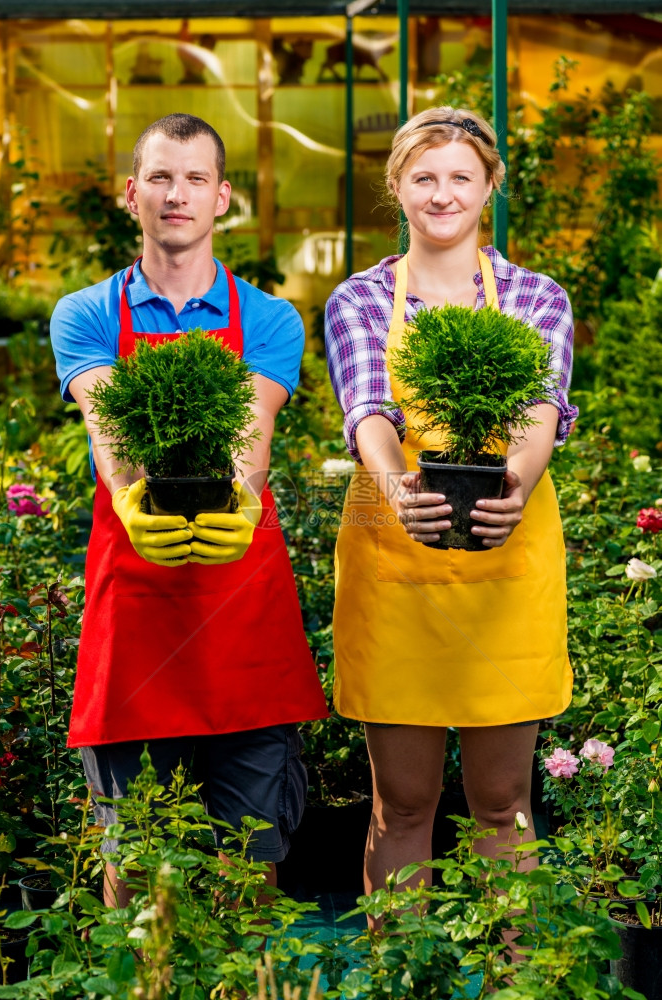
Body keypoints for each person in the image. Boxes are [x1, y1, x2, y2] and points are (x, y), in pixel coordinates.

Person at [50, 113, 328, 906]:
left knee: (251, 862)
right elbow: (108, 424)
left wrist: (240, 499)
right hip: (135, 615)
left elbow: (252, 427)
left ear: (223, 198)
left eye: (195, 179)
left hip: (242, 610)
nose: (177, 195)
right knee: (134, 863)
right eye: (161, 178)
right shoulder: (87, 313)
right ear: (131, 194)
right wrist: (133, 499)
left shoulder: (271, 319)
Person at [324, 106, 577, 904]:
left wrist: (518, 484)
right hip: (395, 569)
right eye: (423, 178)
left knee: (503, 807)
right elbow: (369, 405)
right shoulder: (359, 299)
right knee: (402, 804)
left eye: (459, 177)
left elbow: (541, 408)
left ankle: (514, 984)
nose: (442, 194)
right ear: (396, 188)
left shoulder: (537, 298)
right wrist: (399, 486)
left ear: (489, 186)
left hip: (508, 570)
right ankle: (402, 979)